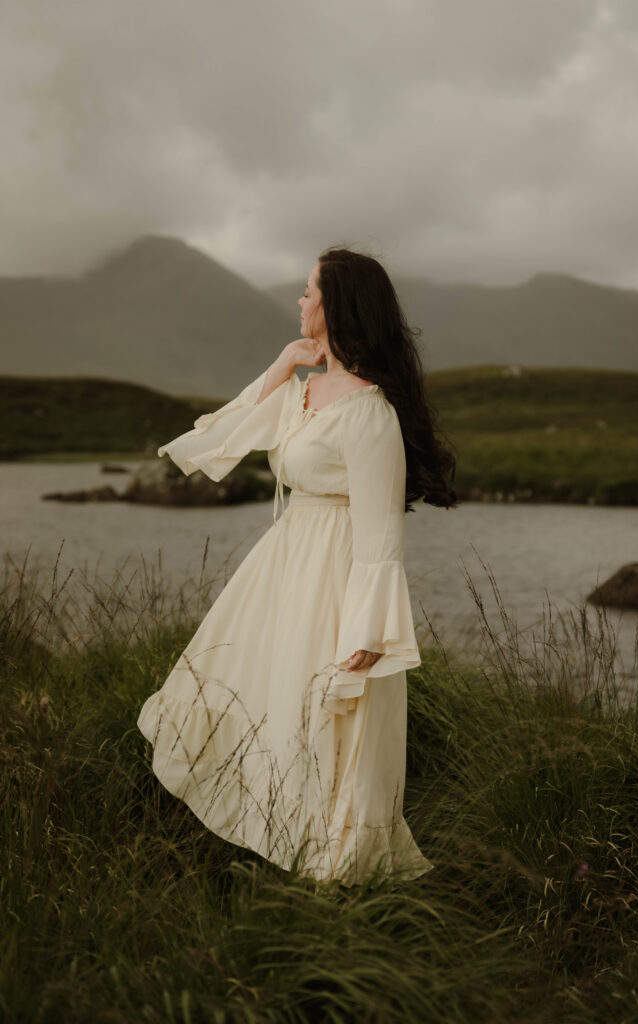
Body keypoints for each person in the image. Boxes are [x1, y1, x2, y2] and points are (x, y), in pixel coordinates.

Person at [137, 246, 457, 886]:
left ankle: (336, 870)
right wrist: (284, 362)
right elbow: (224, 431)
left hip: (335, 579)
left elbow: (379, 533)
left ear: (335, 304)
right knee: (263, 696)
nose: (301, 301)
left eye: (310, 291)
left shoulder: (369, 411)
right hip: (285, 566)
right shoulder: (307, 391)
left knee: (323, 715)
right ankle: (277, 838)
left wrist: (370, 632)